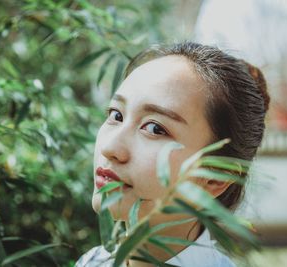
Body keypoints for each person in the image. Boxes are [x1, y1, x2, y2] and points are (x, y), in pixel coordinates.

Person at [76, 42, 270, 267]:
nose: (110, 148)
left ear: (216, 177)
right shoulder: (92, 262)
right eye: (116, 115)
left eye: (155, 128)